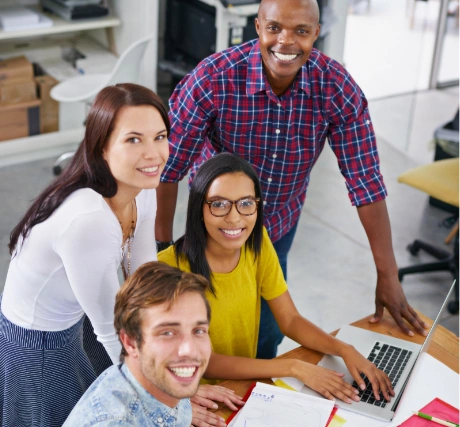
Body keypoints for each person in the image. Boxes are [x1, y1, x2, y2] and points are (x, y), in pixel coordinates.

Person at [155, 0, 429, 360]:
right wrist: (159, 248)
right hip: (214, 226)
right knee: (205, 331)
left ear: (317, 33)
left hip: (277, 223)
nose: (285, 42)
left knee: (267, 334)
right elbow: (168, 169)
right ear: (258, 27)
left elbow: (366, 183)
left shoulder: (335, 86)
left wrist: (388, 273)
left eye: (301, 31)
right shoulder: (214, 78)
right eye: (274, 28)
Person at [158, 153, 395, 427]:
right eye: (219, 204)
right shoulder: (170, 269)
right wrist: (293, 367)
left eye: (246, 203)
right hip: (195, 400)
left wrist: (345, 349)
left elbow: (290, 320)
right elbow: (204, 362)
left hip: (241, 388)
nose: (235, 218)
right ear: (199, 207)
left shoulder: (257, 245)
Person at [0, 83, 169, 427]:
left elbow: (145, 281)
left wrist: (167, 355)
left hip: (80, 318)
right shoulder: (89, 219)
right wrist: (166, 392)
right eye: (134, 139)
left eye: (160, 136)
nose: (153, 154)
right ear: (102, 147)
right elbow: (109, 327)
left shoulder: (143, 189)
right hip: (40, 343)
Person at [64, 262, 213, 426]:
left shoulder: (162, 376)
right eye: (167, 333)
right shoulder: (114, 422)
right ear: (130, 342)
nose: (189, 350)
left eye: (198, 330)